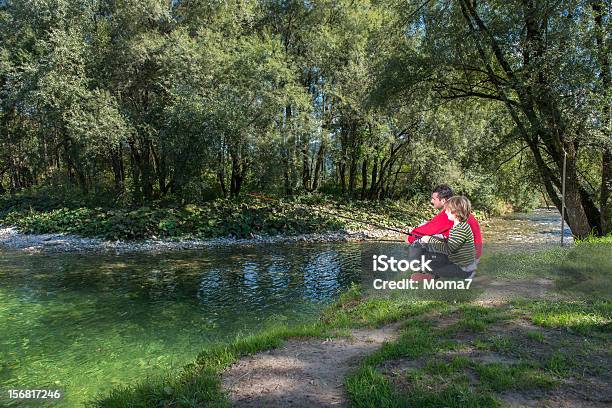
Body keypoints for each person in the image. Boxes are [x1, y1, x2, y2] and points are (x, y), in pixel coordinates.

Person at [406, 184, 482, 260]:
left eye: (434, 199)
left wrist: (410, 237)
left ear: (443, 201)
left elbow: (429, 229)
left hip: (467, 258)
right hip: (473, 253)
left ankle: (419, 266)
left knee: (422, 240)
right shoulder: (461, 211)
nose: (431, 201)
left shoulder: (450, 214)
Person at [417, 196, 477, 279]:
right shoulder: (462, 226)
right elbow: (455, 243)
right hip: (461, 263)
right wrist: (442, 239)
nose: (445, 212)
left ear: (455, 213)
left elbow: (449, 249)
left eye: (447, 210)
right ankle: (431, 273)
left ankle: (432, 275)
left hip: (463, 269)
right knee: (431, 262)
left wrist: (430, 239)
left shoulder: (459, 229)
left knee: (431, 266)